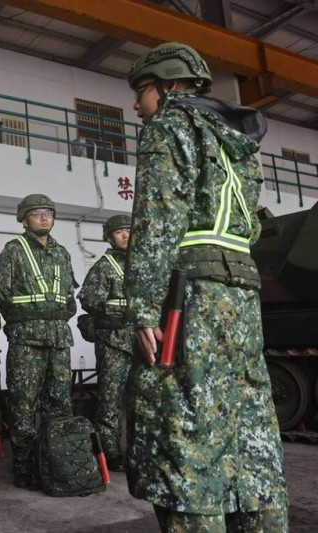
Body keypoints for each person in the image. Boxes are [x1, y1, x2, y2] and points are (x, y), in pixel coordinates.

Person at [124, 42, 288, 530]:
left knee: (183, 427)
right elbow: (253, 229)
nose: (137, 105)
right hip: (240, 293)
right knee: (248, 423)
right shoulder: (239, 145)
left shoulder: (167, 129)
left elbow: (157, 224)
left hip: (188, 295)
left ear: (167, 85)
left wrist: (141, 310)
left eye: (141, 92)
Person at [0, 194, 77, 490]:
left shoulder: (62, 253)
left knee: (60, 403)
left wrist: (57, 315)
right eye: (37, 213)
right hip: (27, 340)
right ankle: (24, 465)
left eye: (49, 212)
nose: (44, 217)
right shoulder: (14, 251)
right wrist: (26, 318)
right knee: (23, 404)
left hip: (59, 339)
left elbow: (69, 298)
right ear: (24, 219)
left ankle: (57, 460)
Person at [77, 214, 132, 472]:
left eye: (129, 231)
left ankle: (138, 450)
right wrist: (115, 310)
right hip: (113, 343)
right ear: (109, 237)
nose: (126, 236)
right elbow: (88, 299)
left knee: (141, 401)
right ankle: (110, 454)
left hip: (141, 343)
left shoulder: (142, 264)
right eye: (119, 232)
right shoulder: (104, 266)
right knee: (110, 401)